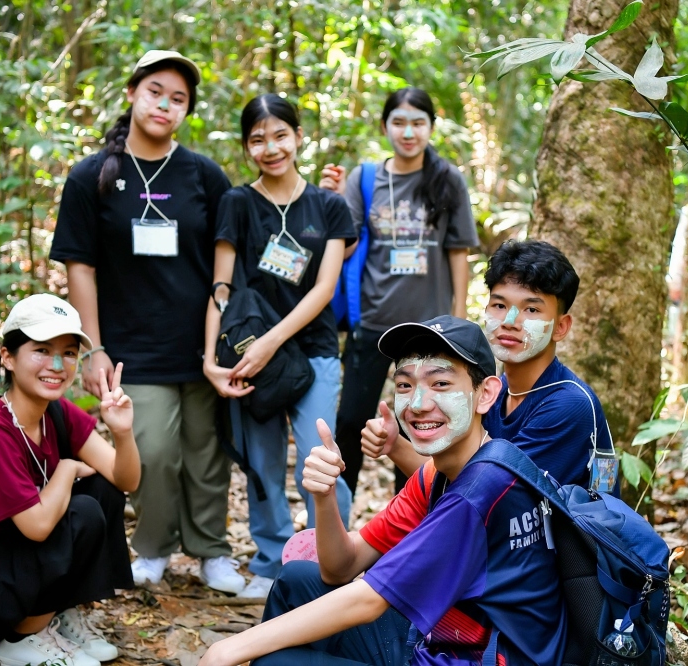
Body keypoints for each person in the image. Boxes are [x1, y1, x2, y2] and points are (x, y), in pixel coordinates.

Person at [197, 316, 566, 666]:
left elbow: (368, 601)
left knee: (275, 660)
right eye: (405, 385)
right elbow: (341, 568)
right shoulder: (437, 474)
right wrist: (324, 495)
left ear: (485, 394)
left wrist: (227, 649)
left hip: (474, 657)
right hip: (438, 640)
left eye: (440, 384)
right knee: (296, 580)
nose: (418, 404)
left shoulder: (481, 488)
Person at [50, 50, 243, 592]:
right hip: (130, 348)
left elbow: (227, 261)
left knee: (206, 453)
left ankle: (211, 551)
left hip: (201, 345)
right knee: (152, 451)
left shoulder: (204, 175)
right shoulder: (92, 176)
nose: (165, 105)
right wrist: (92, 348)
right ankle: (154, 546)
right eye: (155, 91)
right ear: (133, 92)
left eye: (178, 98)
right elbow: (79, 266)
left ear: (187, 111)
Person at [0, 294, 139, 666]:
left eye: (68, 353)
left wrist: (122, 432)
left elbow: (125, 479)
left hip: (7, 568)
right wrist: (67, 469)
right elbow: (37, 527)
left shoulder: (56, 413)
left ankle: (54, 613)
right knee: (83, 510)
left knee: (103, 491)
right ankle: (21, 638)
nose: (57, 365)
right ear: (8, 357)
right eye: (41, 350)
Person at [203, 94, 356, 599]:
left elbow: (324, 289)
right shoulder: (237, 202)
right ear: (246, 146)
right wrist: (211, 360)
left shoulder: (329, 206)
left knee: (318, 457)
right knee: (262, 462)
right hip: (250, 355)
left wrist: (273, 341)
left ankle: (332, 561)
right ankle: (271, 564)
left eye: (280, 135)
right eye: (257, 139)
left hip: (312, 350)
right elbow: (221, 288)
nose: (270, 148)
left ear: (298, 136)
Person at [320, 87, 479, 495]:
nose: (409, 132)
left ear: (431, 127)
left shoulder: (447, 179)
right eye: (399, 122)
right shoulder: (366, 178)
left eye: (418, 123)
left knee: (418, 426)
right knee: (351, 422)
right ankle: (337, 512)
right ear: (385, 126)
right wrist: (333, 203)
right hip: (373, 322)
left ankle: (412, 519)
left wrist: (458, 316)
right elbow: (347, 247)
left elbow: (458, 251)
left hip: (429, 331)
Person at [362, 240, 617, 494]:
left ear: (561, 327)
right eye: (499, 305)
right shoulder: (495, 391)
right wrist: (395, 444)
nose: (509, 321)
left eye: (531, 309)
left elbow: (487, 494)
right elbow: (454, 482)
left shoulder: (570, 404)